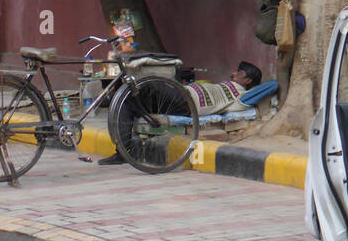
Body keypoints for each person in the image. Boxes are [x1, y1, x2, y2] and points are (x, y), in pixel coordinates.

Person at [98, 60, 263, 165]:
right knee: (127, 103)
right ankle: (123, 152)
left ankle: (106, 98)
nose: (234, 73)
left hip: (186, 102)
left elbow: (270, 86)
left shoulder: (241, 96)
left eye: (239, 73)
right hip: (179, 94)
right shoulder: (226, 84)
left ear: (247, 81)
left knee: (149, 85)